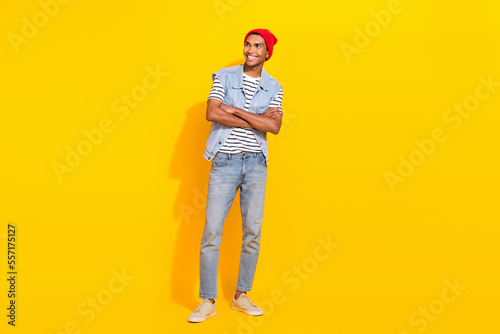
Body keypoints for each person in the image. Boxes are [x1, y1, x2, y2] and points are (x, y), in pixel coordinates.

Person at [188, 28, 283, 323]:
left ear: (267, 53)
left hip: (256, 164)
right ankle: (207, 300)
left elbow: (275, 127)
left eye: (258, 46)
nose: (250, 49)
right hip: (225, 161)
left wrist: (234, 109)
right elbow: (213, 114)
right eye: (247, 44)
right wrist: (255, 120)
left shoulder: (275, 87)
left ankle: (242, 295)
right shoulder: (224, 76)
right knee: (211, 232)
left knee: (252, 232)